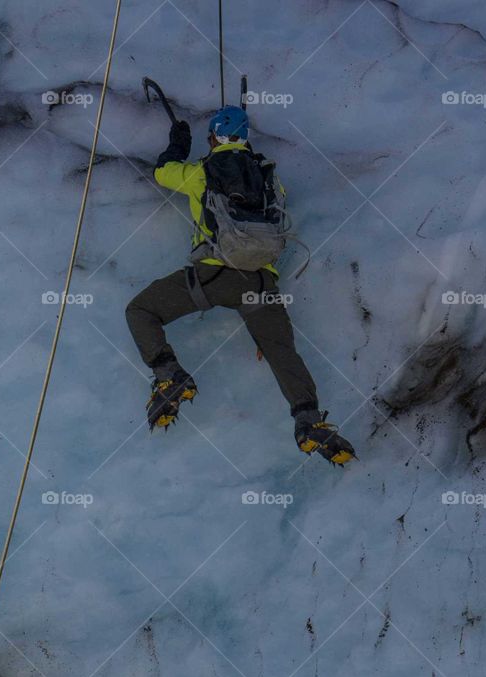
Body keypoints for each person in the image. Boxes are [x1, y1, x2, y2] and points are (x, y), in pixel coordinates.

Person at [125, 104, 355, 465]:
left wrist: (178, 144)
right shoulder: (269, 177)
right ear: (245, 138)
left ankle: (171, 377)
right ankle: (309, 422)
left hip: (212, 277)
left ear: (213, 137)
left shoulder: (201, 173)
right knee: (281, 352)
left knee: (141, 310)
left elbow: (162, 173)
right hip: (261, 283)